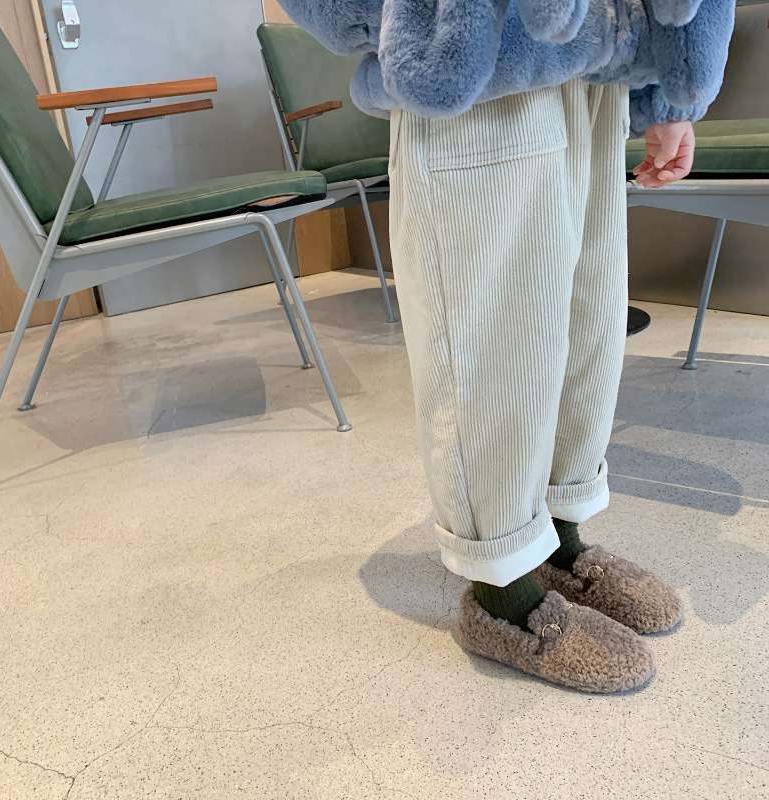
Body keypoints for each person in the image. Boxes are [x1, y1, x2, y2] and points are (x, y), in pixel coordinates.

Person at [277, 0, 736, 692]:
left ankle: (556, 544)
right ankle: (503, 595)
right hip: (478, 72)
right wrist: (422, 24)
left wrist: (669, 93)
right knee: (493, 347)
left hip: (595, 75)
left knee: (583, 327)